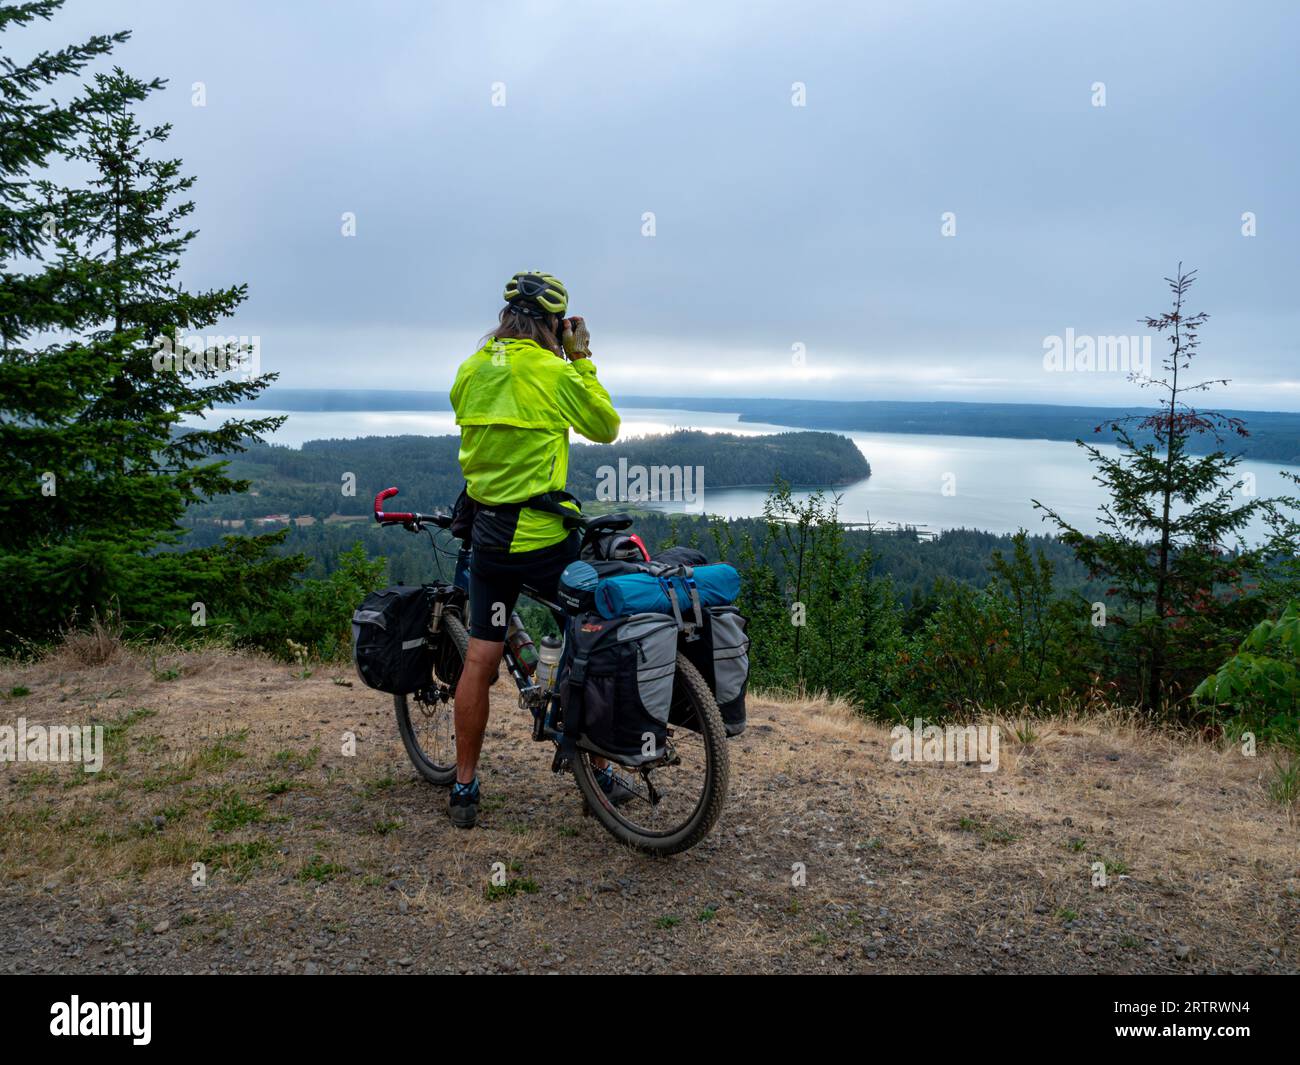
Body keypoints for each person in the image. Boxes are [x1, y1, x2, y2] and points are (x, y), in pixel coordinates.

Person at [446, 271, 620, 828]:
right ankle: (598, 768)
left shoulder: (471, 370)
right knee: (588, 631)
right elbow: (606, 425)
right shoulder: (552, 369)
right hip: (546, 543)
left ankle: (465, 785)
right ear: (554, 324)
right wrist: (581, 360)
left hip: (491, 541)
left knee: (480, 656)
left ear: (504, 320)